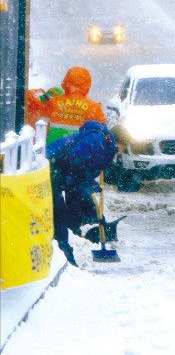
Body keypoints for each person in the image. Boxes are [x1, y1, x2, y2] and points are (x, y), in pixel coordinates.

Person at [47, 121, 127, 266]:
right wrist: (86, 181)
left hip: (57, 169)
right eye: (123, 148)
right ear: (120, 142)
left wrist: (96, 215)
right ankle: (65, 256)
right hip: (51, 168)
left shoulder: (104, 142)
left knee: (72, 207)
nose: (120, 152)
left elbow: (81, 167)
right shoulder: (99, 139)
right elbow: (76, 158)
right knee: (59, 213)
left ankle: (73, 239)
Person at [43, 67, 107, 144]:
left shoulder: (53, 102)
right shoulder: (94, 107)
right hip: (80, 152)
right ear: (87, 84)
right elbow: (102, 135)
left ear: (66, 80)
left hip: (52, 150)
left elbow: (41, 129)